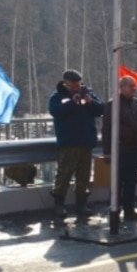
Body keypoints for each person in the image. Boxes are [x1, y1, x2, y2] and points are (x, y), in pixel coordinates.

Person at [48, 69, 104, 218]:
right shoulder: (58, 96)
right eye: (73, 84)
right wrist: (72, 103)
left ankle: (82, 203)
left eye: (78, 83)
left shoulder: (88, 93)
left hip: (86, 140)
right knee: (64, 174)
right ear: (66, 82)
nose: (76, 86)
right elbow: (56, 112)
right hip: (68, 142)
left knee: (84, 175)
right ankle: (59, 204)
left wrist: (90, 102)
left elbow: (100, 109)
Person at [102, 75, 137, 221]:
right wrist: (107, 151)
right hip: (121, 150)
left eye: (134, 85)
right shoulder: (113, 105)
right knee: (117, 182)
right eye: (130, 85)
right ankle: (115, 211)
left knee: (132, 181)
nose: (133, 88)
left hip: (136, 149)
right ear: (121, 88)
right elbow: (107, 129)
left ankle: (130, 210)